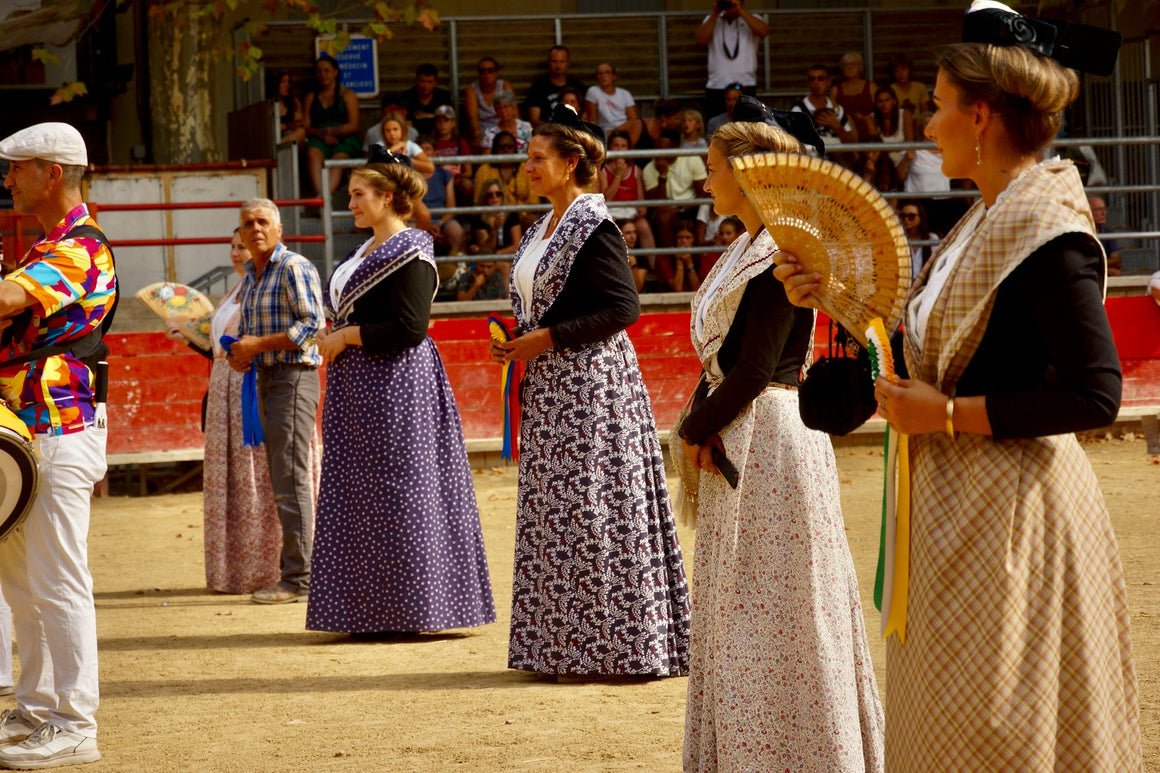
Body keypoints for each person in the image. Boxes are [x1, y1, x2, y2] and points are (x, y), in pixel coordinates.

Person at [774, 4, 1142, 767]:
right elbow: (924, 359)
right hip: (956, 513)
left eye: (937, 106)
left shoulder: (1045, 230)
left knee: (997, 733)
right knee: (951, 725)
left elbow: (1095, 393)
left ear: (980, 115)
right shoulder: (982, 220)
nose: (928, 124)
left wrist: (943, 413)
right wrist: (837, 301)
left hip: (1014, 517)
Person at [679, 98, 884, 771]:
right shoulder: (745, 246)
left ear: (746, 175)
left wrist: (693, 428)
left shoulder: (782, 253)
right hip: (743, 428)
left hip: (767, 431)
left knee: (781, 604)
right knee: (751, 602)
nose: (704, 181)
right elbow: (721, 364)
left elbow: (756, 369)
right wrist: (700, 422)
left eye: (712, 169)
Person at [491, 105, 690, 677]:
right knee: (559, 513)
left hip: (591, 389)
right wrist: (516, 343)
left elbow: (623, 308)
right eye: (527, 157)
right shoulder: (540, 228)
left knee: (594, 510)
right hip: (553, 387)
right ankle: (561, 644)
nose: (527, 166)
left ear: (571, 162)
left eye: (537, 158)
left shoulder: (594, 226)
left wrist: (545, 340)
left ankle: (615, 645)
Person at [306, 149, 495, 637]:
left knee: (399, 492)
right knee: (360, 493)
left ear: (387, 197)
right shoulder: (362, 251)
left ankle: (411, 610)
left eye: (358, 194)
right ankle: (365, 610)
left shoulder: (412, 249)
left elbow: (410, 327)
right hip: (357, 386)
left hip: (395, 386)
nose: (350, 203)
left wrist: (345, 337)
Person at [0, 122, 116, 769]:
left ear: (51, 174)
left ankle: (76, 721)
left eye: (16, 168)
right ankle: (37, 711)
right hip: (32, 429)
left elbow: (8, 299)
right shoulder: (54, 244)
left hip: (57, 429)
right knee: (24, 583)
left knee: (58, 580)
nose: (7, 179)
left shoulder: (79, 245)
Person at [164, 230, 320, 595]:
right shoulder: (239, 290)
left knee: (270, 478)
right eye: (233, 246)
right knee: (248, 480)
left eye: (243, 245)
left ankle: (287, 570)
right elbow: (223, 350)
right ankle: (247, 570)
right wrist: (188, 338)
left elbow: (307, 327)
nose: (238, 252)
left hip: (257, 385)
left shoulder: (280, 278)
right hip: (229, 389)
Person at [228, 198, 325, 606]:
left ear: (279, 228)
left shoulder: (293, 266)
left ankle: (300, 578)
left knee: (289, 474)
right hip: (269, 377)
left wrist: (257, 345)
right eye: (248, 224)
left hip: (294, 377)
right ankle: (298, 573)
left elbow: (312, 325)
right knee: (284, 474)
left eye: (263, 221)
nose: (255, 229)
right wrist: (243, 353)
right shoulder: (253, 274)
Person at [897, 111, 969, 236]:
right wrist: (906, 159)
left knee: (961, 207)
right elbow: (898, 177)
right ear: (921, 128)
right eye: (927, 123)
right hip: (919, 201)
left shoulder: (948, 151)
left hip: (942, 200)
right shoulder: (913, 150)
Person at [694, 0, 768, 120]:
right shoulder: (712, 19)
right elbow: (700, 39)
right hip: (717, 85)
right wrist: (716, 13)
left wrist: (740, 11)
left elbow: (764, 31)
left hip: (746, 84)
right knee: (717, 126)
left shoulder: (752, 18)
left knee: (747, 125)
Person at [302, 54, 362, 197]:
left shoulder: (347, 95)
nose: (323, 75)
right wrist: (322, 134)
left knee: (338, 159)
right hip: (319, 136)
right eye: (319, 71)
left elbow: (353, 125)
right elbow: (306, 126)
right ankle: (321, 196)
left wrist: (332, 131)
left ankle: (324, 197)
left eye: (327, 70)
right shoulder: (311, 97)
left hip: (344, 138)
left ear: (335, 72)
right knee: (312, 153)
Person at [643, 130, 707, 247]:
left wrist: (681, 209)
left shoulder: (691, 158)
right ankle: (672, 259)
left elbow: (703, 193)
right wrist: (663, 175)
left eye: (662, 149)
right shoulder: (650, 168)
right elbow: (655, 203)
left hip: (690, 208)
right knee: (662, 216)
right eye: (656, 149)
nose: (658, 153)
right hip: (665, 210)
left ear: (675, 147)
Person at [600, 130, 656, 253]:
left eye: (623, 146)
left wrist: (641, 210)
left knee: (644, 227)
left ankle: (651, 267)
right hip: (612, 212)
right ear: (610, 147)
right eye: (616, 146)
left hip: (631, 213)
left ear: (628, 148)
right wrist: (618, 175)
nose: (619, 150)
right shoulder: (603, 171)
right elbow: (606, 198)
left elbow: (641, 202)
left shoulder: (636, 170)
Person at [417, 137, 467, 257]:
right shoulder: (409, 174)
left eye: (428, 149)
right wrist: (426, 225)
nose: (423, 153)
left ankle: (455, 268)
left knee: (457, 231)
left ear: (434, 153)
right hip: (417, 219)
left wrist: (438, 223)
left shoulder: (444, 174)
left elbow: (451, 208)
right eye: (420, 150)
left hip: (442, 220)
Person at [792, 65, 858, 149]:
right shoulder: (798, 110)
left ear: (828, 82)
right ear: (808, 83)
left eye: (820, 78)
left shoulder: (838, 110)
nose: (816, 82)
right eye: (812, 79)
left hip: (835, 158)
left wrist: (836, 126)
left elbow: (852, 142)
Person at [524, 45, 586, 127]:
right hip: (548, 133)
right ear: (549, 62)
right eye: (554, 61)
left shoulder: (577, 86)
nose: (558, 65)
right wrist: (556, 129)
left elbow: (585, 116)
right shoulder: (538, 87)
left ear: (568, 63)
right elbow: (534, 119)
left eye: (562, 61)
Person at [464, 56, 511, 152]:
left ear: (496, 72)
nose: (486, 74)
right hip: (482, 131)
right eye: (482, 71)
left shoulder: (504, 85)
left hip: (503, 127)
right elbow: (473, 117)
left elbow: (513, 111)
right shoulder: (472, 89)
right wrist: (478, 134)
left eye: (490, 70)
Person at [430, 105, 474, 204]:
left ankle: (469, 214)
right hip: (439, 180)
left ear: (453, 123)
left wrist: (458, 178)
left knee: (467, 185)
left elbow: (469, 171)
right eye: (439, 121)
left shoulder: (461, 142)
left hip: (459, 180)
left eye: (446, 121)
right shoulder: (432, 143)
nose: (442, 125)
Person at [469, 179, 522, 261]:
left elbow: (517, 246)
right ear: (485, 197)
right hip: (487, 261)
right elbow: (487, 250)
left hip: (508, 257)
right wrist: (495, 228)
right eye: (490, 195)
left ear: (503, 195)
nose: (495, 197)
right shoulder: (478, 217)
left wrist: (497, 254)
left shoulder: (512, 214)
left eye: (498, 194)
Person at [830, 51, 878, 139]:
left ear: (860, 67)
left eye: (854, 64)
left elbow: (879, 110)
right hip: (846, 133)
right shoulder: (835, 90)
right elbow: (833, 114)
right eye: (846, 64)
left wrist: (865, 118)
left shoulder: (871, 87)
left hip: (870, 131)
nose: (850, 67)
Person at [615, 98, 682, 160]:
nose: (679, 122)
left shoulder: (672, 132)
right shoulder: (639, 126)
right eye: (676, 119)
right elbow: (627, 149)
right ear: (664, 118)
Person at [401, 63, 454, 138]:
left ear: (435, 82)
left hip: (438, 137)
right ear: (416, 81)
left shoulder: (443, 97)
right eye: (422, 81)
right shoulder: (407, 97)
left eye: (429, 82)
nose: (425, 86)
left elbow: (448, 121)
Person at [584, 62, 637, 135]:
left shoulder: (625, 94)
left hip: (624, 129)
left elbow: (633, 119)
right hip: (605, 131)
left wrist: (615, 131)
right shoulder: (593, 91)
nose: (603, 76)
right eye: (600, 73)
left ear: (614, 76)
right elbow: (592, 119)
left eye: (607, 73)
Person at [653, 221, 701, 293]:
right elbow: (677, 289)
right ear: (674, 239)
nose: (683, 241)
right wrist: (679, 261)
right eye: (680, 237)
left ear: (693, 239)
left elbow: (696, 289)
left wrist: (689, 263)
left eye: (688, 238)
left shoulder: (701, 256)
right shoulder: (663, 257)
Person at [870, 86, 914, 166]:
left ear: (894, 101)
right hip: (882, 161)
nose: (883, 104)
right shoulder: (871, 119)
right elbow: (875, 147)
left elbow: (909, 142)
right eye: (880, 101)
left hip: (903, 159)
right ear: (876, 104)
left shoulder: (905, 115)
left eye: (887, 100)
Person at [481, 90, 532, 156]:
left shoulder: (526, 127)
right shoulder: (490, 131)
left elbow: (533, 151)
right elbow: (486, 157)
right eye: (499, 108)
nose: (503, 111)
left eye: (506, 107)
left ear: (514, 108)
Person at [897, 199, 939, 279]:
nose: (906, 220)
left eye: (911, 216)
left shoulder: (931, 239)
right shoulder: (896, 239)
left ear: (920, 217)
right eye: (903, 216)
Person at [1089, 194, 1123, 276]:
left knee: (1116, 273)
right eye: (1098, 210)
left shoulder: (1108, 233)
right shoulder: (1081, 234)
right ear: (1088, 212)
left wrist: (1094, 265)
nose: (1104, 213)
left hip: (1096, 273)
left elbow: (1117, 261)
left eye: (1104, 209)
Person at [273, 69, 305, 145]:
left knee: (301, 132)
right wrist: (287, 126)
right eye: (283, 82)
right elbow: (271, 129)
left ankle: (278, 147)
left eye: (288, 82)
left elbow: (298, 123)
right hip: (275, 138)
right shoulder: (269, 104)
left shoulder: (294, 101)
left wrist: (293, 124)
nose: (287, 85)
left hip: (292, 138)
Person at [616, 218, 647, 292]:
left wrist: (633, 265)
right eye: (628, 233)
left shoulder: (641, 256)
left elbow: (637, 289)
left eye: (635, 232)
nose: (633, 237)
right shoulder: (610, 254)